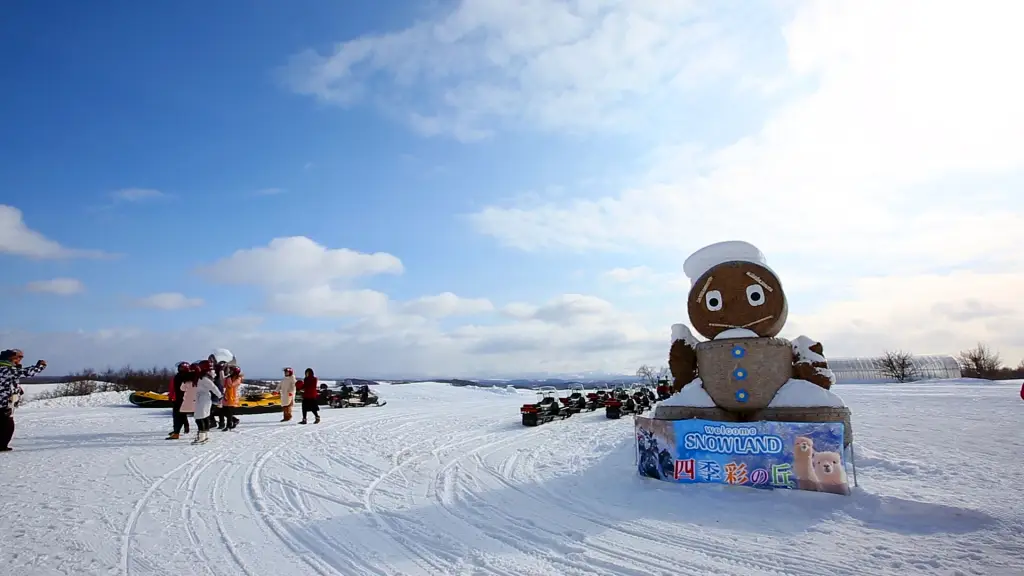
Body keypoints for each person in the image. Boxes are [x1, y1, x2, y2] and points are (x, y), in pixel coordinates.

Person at [0, 349, 46, 451]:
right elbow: (27, 372)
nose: (20, 360)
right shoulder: (6, 370)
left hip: (4, 401)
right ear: (11, 358)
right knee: (7, 425)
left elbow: (8, 382)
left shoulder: (5, 369)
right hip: (3, 402)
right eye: (19, 357)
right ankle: (1, 445)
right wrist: (40, 366)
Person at [192, 361, 222, 443]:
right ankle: (204, 435)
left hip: (204, 399)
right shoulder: (201, 377)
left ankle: (202, 436)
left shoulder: (204, 378)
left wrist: (220, 396)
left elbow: (213, 387)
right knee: (204, 417)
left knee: (199, 417)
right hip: (202, 398)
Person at [166, 362, 192, 439]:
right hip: (188, 400)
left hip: (178, 399)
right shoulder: (190, 377)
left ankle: (176, 432)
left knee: (177, 416)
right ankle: (182, 428)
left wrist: (171, 397)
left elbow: (173, 388)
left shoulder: (178, 377)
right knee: (182, 415)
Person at [221, 366, 243, 430]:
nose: (230, 372)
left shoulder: (238, 379)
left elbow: (231, 385)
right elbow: (224, 384)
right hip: (227, 397)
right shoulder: (230, 378)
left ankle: (229, 425)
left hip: (232, 397)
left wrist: (228, 378)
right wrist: (222, 372)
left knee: (229, 412)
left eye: (231, 371)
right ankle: (235, 420)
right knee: (224, 412)